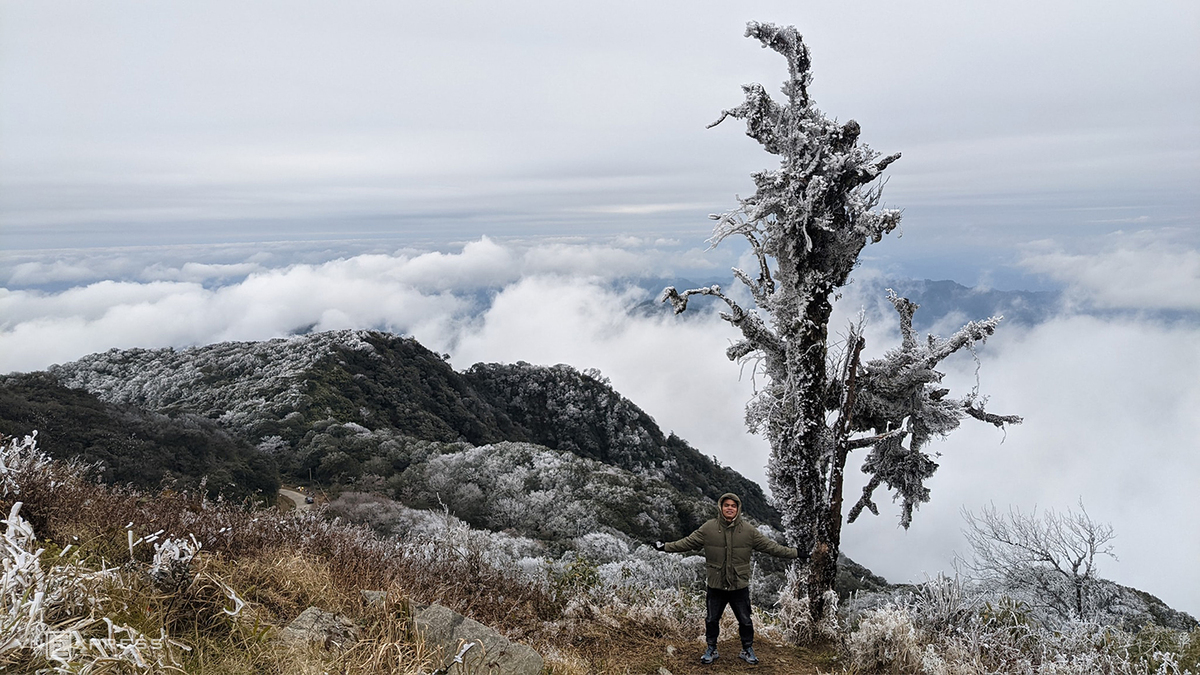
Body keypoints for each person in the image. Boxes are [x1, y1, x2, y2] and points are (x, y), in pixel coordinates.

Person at [656, 492, 803, 665]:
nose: (730, 508)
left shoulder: (748, 531)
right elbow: (686, 543)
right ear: (721, 507)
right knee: (711, 620)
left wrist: (796, 553)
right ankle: (711, 648)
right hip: (716, 584)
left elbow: (772, 547)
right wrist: (664, 547)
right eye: (727, 505)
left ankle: (747, 649)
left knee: (745, 621)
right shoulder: (708, 528)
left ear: (738, 508)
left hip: (738, 585)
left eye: (733, 506)